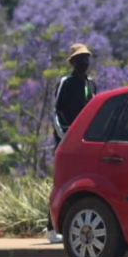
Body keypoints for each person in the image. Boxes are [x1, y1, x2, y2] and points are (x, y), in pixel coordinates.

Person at [46, 43, 97, 243]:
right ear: (72, 62)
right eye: (80, 59)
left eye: (86, 58)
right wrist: (65, 137)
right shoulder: (65, 82)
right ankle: (50, 228)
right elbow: (56, 111)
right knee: (61, 182)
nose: (84, 62)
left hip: (86, 143)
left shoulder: (91, 84)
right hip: (67, 141)